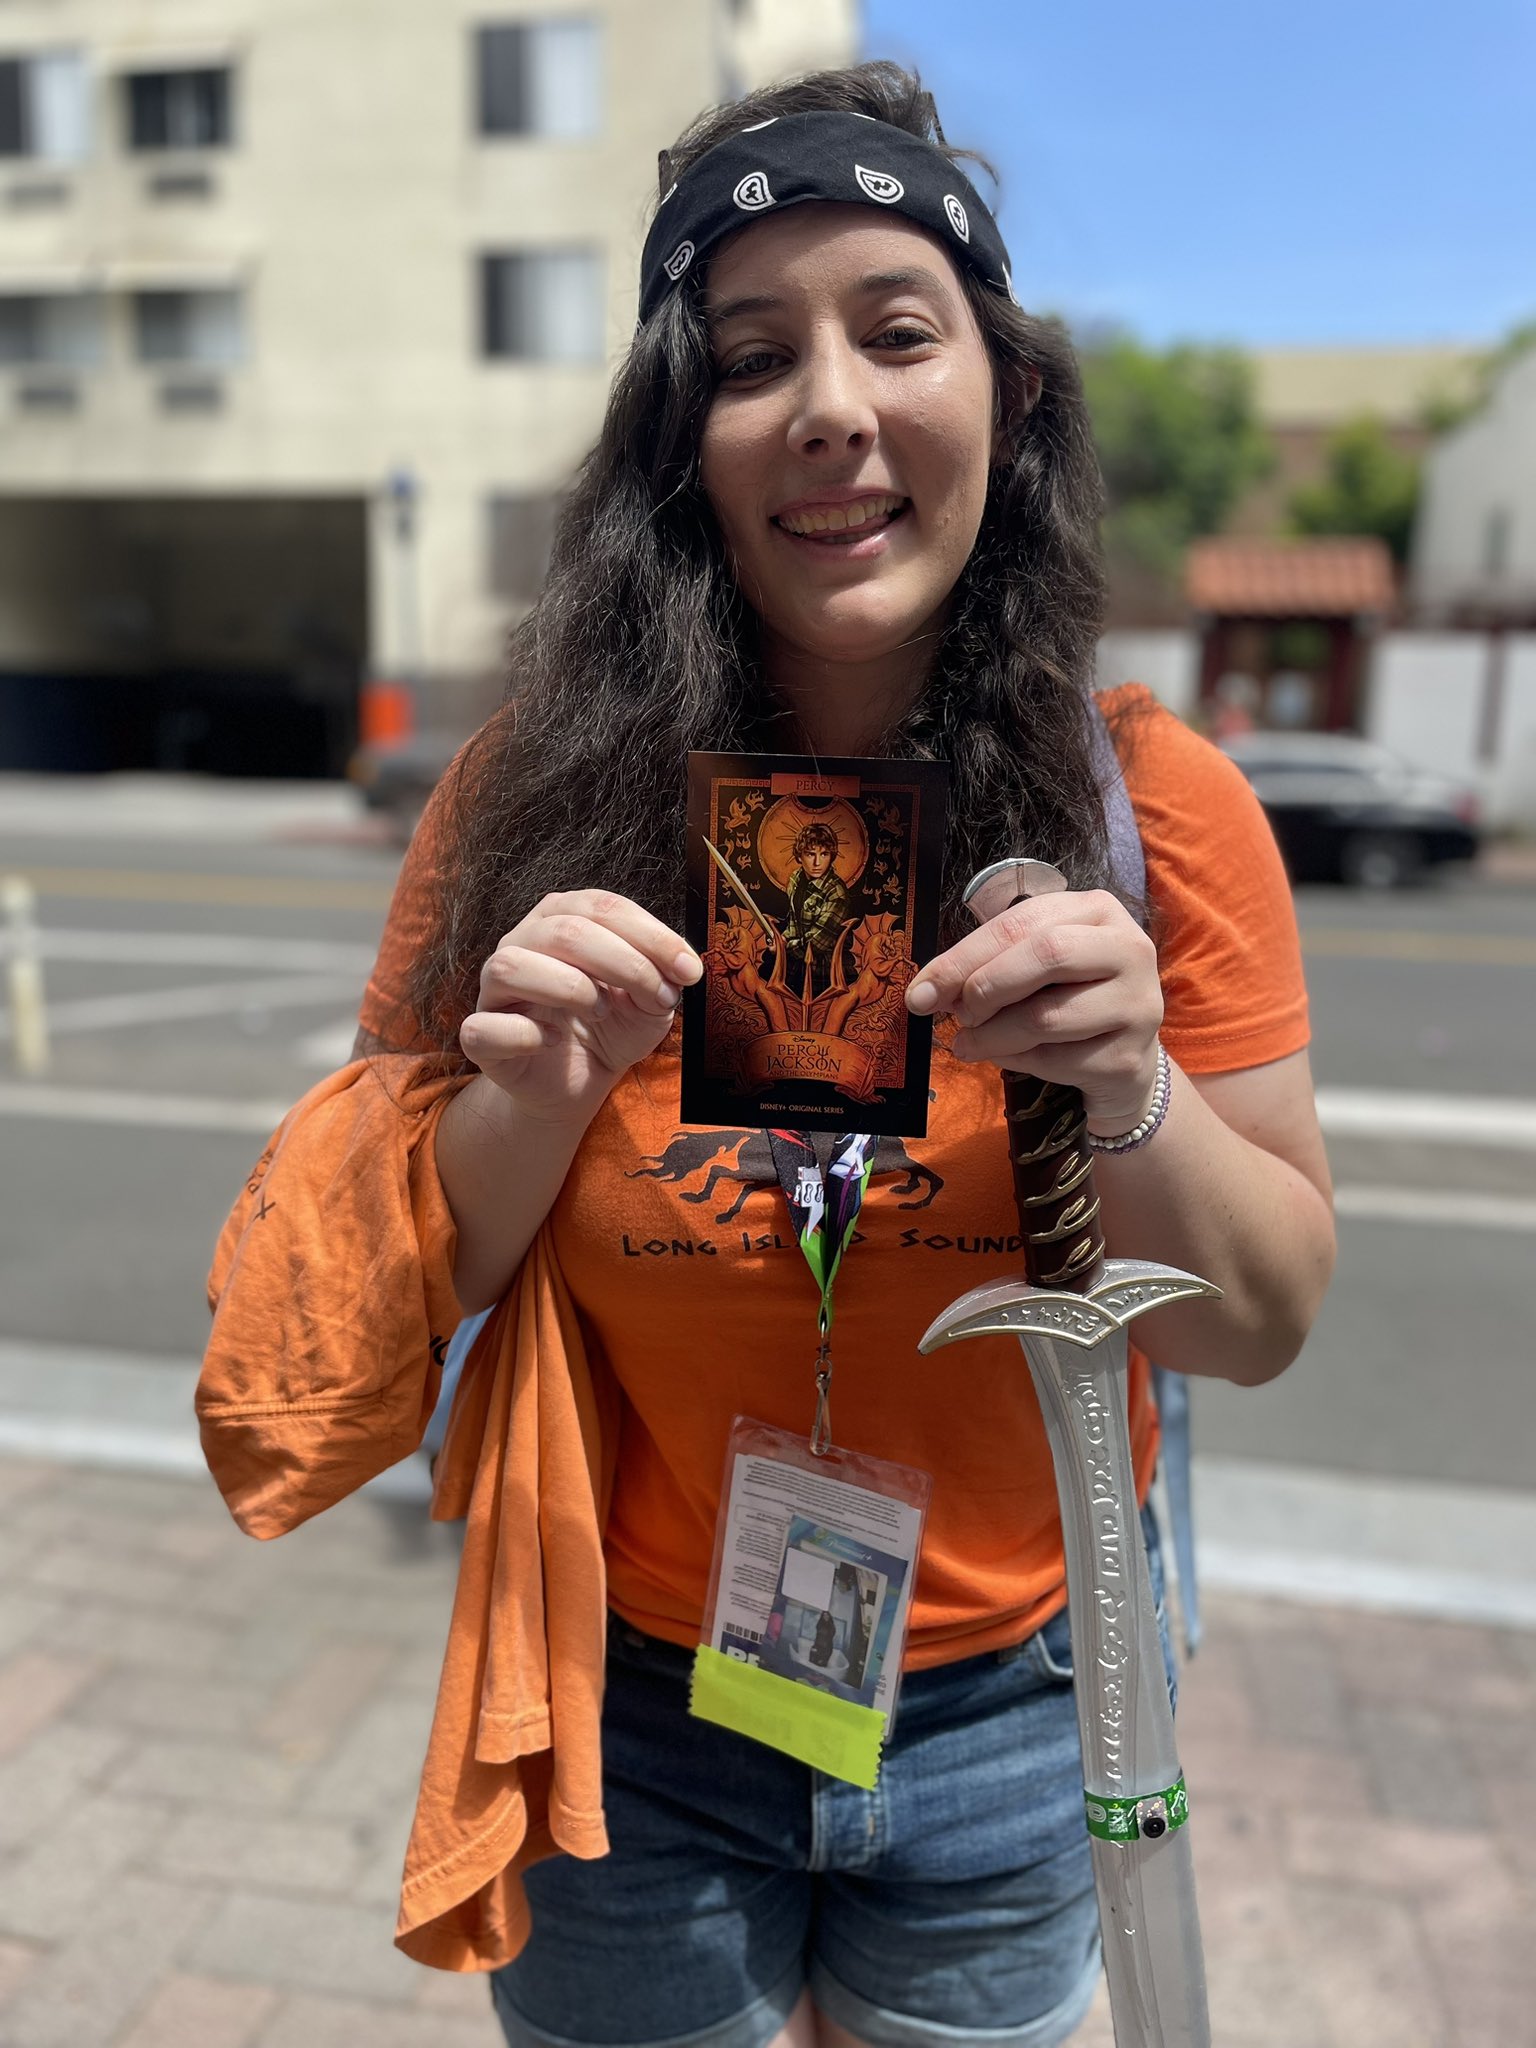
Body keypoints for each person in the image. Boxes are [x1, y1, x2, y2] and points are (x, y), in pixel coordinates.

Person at [198, 61, 1335, 2048]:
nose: (830, 403)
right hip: (630, 1711)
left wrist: (1132, 1095)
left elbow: (1257, 1318)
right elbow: (406, 1279)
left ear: (1012, 393)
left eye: (899, 330)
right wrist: (523, 1105)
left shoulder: (1163, 808)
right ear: (681, 444)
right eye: (750, 355)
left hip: (1016, 1707)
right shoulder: (525, 802)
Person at [780, 821, 853, 982]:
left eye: (824, 854)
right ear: (799, 855)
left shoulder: (836, 892)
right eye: (811, 854)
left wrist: (782, 946)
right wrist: (782, 938)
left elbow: (816, 944)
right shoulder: (795, 879)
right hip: (793, 968)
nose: (817, 863)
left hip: (826, 974)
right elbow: (793, 922)